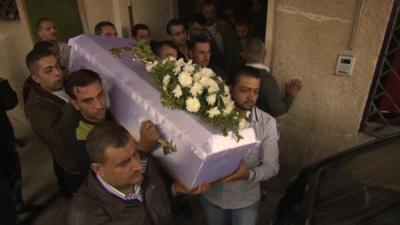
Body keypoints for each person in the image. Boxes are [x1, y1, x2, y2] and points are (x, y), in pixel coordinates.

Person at [69, 122, 208, 225]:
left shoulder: (143, 161)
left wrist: (176, 190)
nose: (138, 166)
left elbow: (157, 198)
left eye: (135, 154)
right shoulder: (86, 218)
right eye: (124, 164)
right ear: (99, 169)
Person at [201, 66, 280, 225]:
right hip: (212, 196)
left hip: (245, 201)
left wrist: (249, 174)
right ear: (230, 89)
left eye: (256, 92)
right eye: (245, 90)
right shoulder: (212, 115)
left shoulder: (267, 123)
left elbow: (272, 166)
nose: (251, 97)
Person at [63, 69, 161, 174]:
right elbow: (125, 179)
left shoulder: (100, 113)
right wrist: (143, 148)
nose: (100, 105)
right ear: (75, 104)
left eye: (100, 95)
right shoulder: (82, 142)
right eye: (88, 101)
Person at [24, 47, 83, 198]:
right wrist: (74, 104)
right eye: (48, 70)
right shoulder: (36, 107)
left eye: (57, 66)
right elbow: (57, 136)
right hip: (76, 165)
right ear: (36, 78)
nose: (57, 73)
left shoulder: (62, 82)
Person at [243, 38, 302, 117]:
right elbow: (277, 109)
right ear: (265, 53)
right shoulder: (266, 79)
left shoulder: (237, 74)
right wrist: (290, 97)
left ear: (243, 55)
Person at [0, 76, 23, 223]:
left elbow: (11, 102)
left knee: (15, 176)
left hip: (5, 140)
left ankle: (18, 206)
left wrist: (2, 83)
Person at [201, 0, 241, 73]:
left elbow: (234, 49)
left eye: (211, 12)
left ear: (215, 13)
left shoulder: (225, 27)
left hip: (227, 68)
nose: (208, 16)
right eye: (206, 13)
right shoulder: (199, 29)